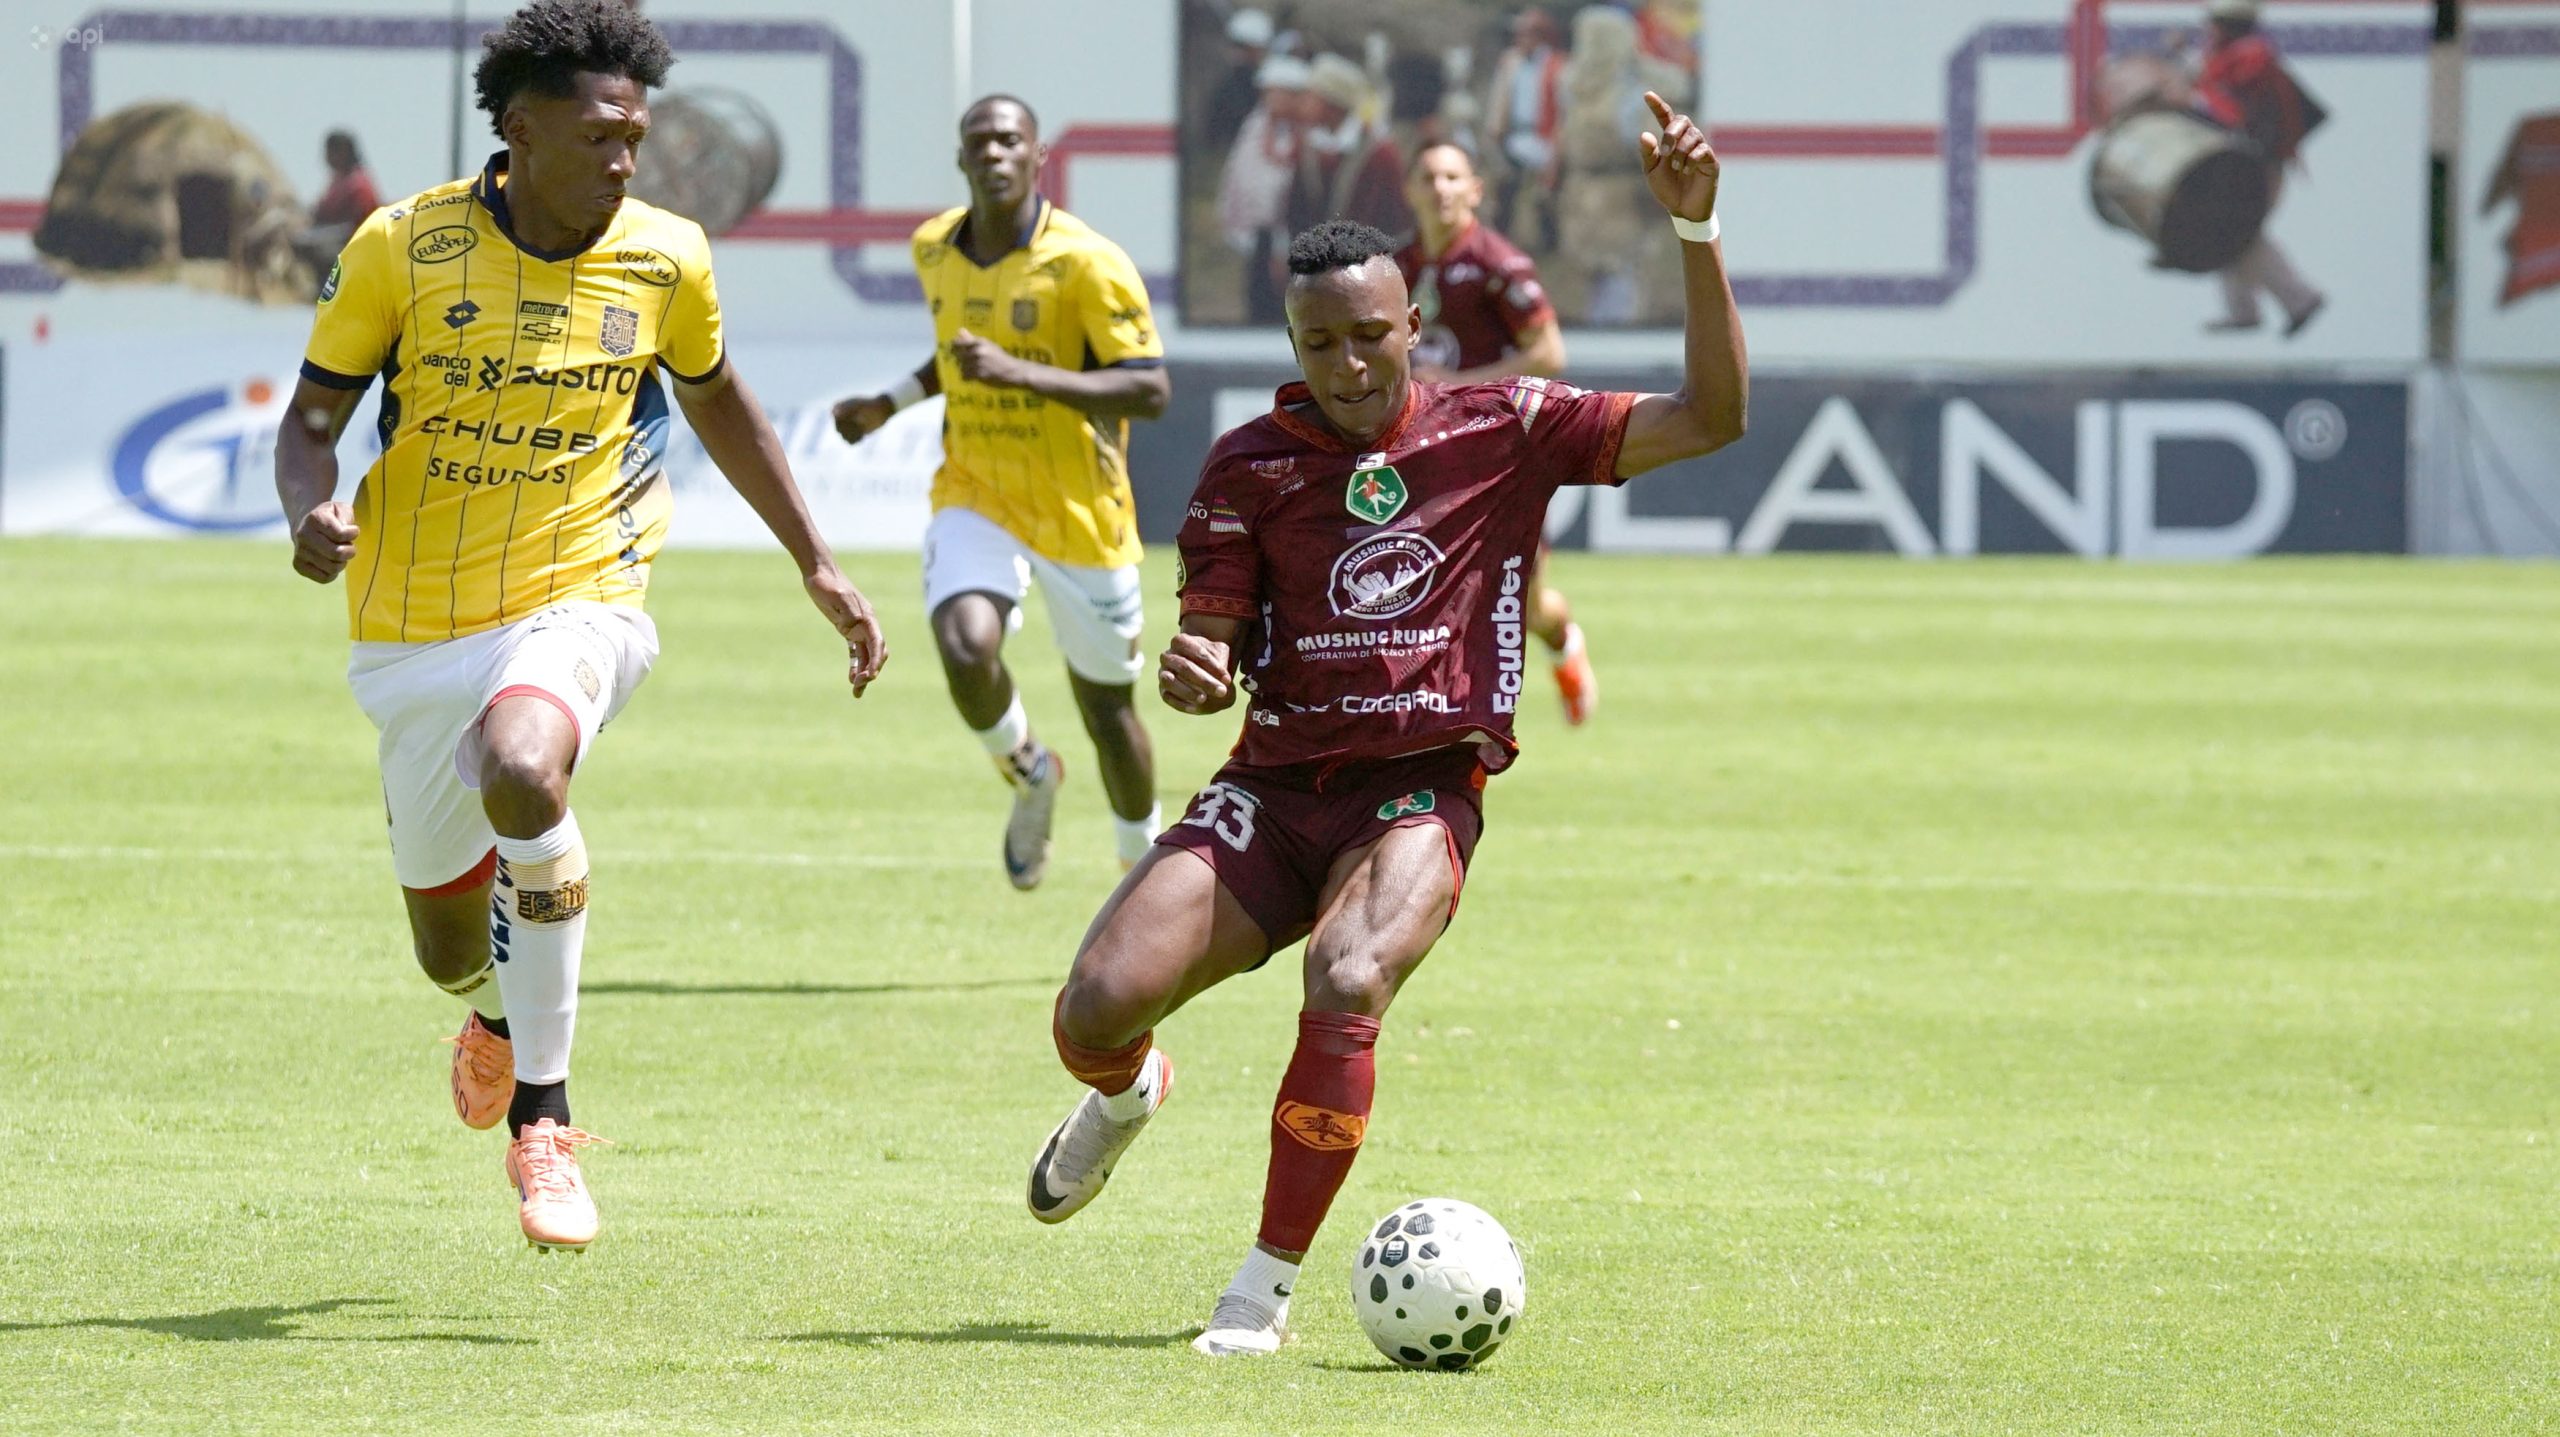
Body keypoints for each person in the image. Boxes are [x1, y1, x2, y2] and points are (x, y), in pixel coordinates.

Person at [1023, 90, 1745, 1357]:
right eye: (1320, 344)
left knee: (1349, 974)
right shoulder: (1248, 465)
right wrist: (1197, 662)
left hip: (1417, 789)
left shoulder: (1505, 428)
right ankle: (1130, 1095)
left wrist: (1696, 234)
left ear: (1414, 322)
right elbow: (1218, 633)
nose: (1350, 367)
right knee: (1093, 1004)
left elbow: (1711, 417)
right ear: (1290, 340)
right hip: (1277, 786)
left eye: (1371, 336)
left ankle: (1258, 1290)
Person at [275, 0, 887, 1252]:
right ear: (517, 128)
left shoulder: (668, 255)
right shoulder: (403, 246)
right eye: (601, 137)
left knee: (524, 765)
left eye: (637, 139)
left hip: (581, 591)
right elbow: (309, 418)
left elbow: (722, 406)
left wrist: (816, 561)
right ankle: (496, 1015)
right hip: (410, 629)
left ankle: (544, 1126)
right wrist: (306, 510)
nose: (625, 162)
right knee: (449, 952)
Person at [833, 96, 1169, 889]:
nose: (993, 153)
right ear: (960, 159)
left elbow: (1150, 389)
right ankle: (1030, 772)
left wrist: (1018, 373)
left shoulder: (1088, 260)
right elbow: (954, 357)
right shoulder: (934, 248)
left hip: (1081, 512)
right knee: (964, 644)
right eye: (979, 141)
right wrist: (890, 403)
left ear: (1037, 155)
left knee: (1108, 715)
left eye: (1008, 140)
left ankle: (1140, 871)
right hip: (975, 490)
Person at [1395, 140, 1596, 724]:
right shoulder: (1401, 267)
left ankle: (1563, 641)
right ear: (1410, 190)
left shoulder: (1496, 263)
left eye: (1454, 177)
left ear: (1475, 190)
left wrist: (1458, 382)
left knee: (1527, 607)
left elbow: (1549, 351)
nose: (1441, 188)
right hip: (1427, 456)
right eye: (1429, 176)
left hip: (1503, 457)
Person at [2190, 0, 2326, 335]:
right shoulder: (2232, 57)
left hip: (2257, 165)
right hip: (2246, 163)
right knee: (2228, 231)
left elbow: (2227, 110)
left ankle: (2299, 300)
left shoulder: (2250, 58)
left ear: (2229, 25)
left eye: (2215, 23)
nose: (2210, 29)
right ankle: (2247, 310)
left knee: (2238, 232)